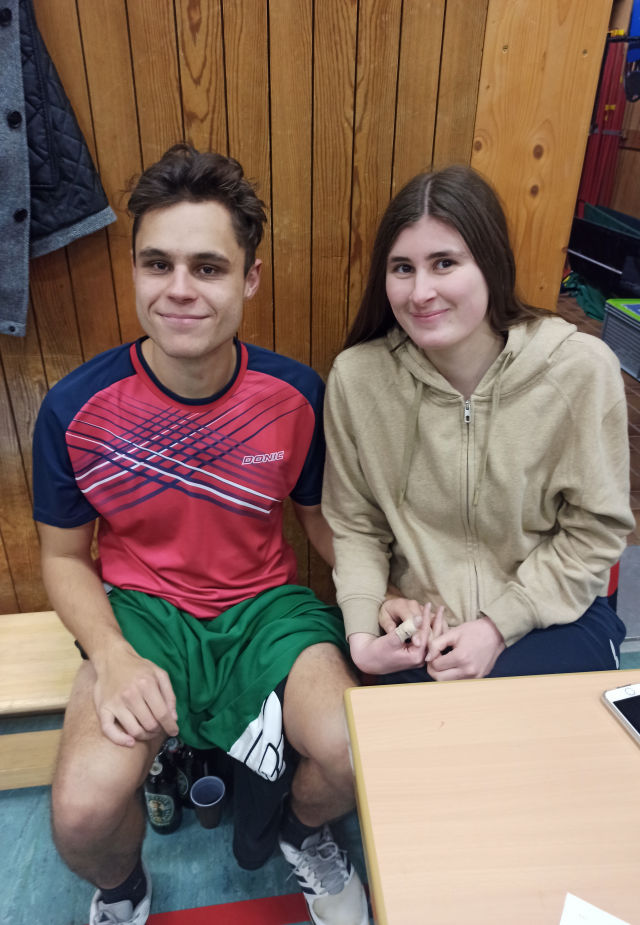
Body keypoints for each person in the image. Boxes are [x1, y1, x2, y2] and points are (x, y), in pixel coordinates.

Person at [32, 144, 368, 925]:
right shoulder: (74, 408)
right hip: (143, 616)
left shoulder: (296, 394)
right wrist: (111, 655)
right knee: (81, 812)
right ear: (135, 271)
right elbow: (62, 557)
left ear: (250, 278)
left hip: (267, 609)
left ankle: (301, 834)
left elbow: (320, 522)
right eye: (158, 264)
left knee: (357, 750)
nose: (179, 289)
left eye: (208, 267)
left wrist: (384, 593)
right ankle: (123, 889)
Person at [322, 164, 635, 684]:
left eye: (444, 263)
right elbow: (356, 526)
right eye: (402, 268)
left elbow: (596, 531)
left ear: (491, 264)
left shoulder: (581, 369)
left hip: (552, 612)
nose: (421, 292)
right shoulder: (357, 378)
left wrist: (496, 627)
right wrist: (361, 636)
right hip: (422, 627)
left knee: (528, 729)